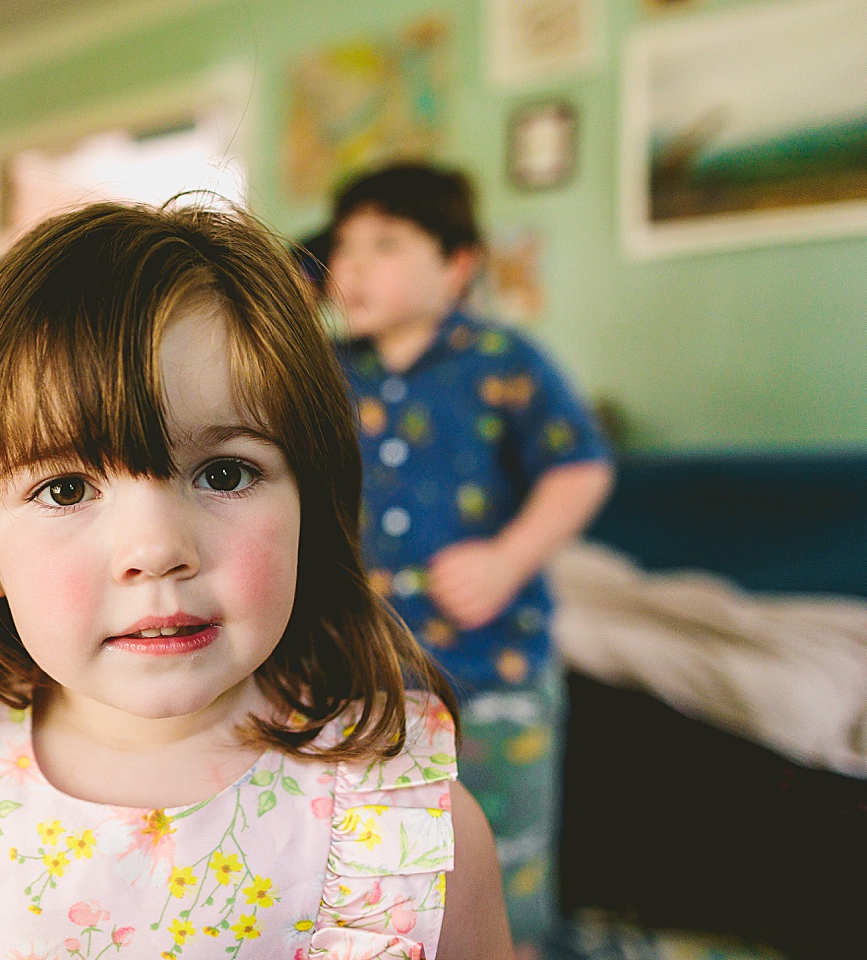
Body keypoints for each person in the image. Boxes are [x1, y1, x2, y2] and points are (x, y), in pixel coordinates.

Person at [0, 201, 514, 960]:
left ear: (311, 503)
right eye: (67, 488)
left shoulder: (405, 831)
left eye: (224, 472)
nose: (156, 550)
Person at [320, 163, 615, 958]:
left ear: (458, 265)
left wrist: (508, 558)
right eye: (343, 246)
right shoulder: (329, 373)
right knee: (394, 868)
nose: (351, 266)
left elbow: (580, 466)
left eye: (383, 244)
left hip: (496, 671)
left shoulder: (503, 360)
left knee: (508, 875)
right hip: (372, 677)